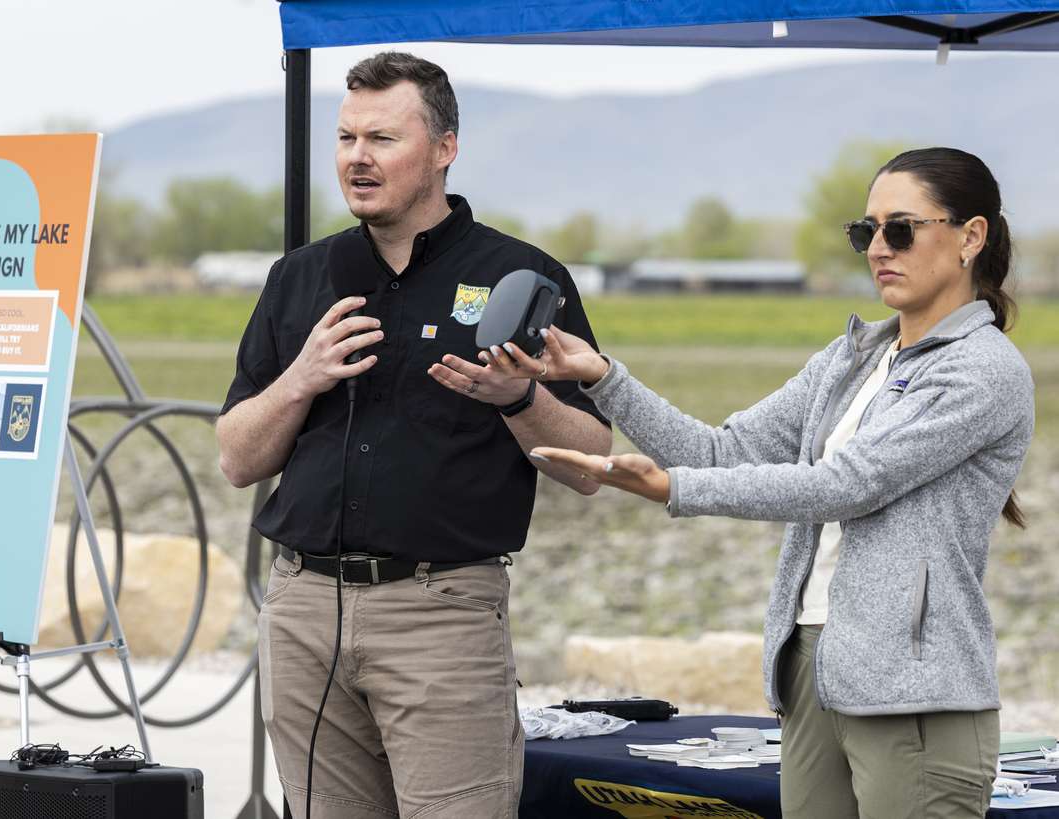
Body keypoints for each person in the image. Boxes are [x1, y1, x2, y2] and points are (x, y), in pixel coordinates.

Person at [523, 147, 1033, 818]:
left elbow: (847, 483)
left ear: (971, 236)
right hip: (810, 664)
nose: (878, 247)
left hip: (917, 693)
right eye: (866, 231)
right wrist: (600, 378)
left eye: (900, 229)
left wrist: (674, 489)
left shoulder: (983, 369)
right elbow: (719, 448)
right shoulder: (852, 358)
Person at [216, 52, 612, 818]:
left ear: (444, 147)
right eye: (345, 138)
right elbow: (237, 458)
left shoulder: (520, 278)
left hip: (440, 611)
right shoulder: (299, 277)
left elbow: (592, 464)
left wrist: (518, 396)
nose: (357, 157)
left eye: (382, 139)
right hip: (303, 612)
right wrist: (301, 377)